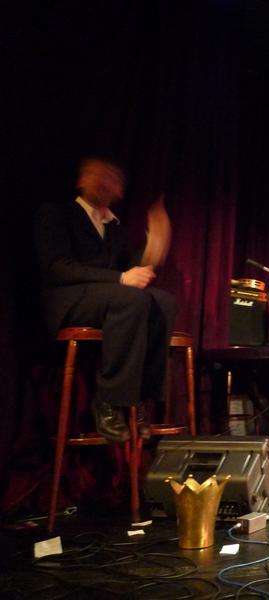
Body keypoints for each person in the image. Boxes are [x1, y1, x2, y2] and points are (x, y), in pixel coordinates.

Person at [35, 156, 176, 443]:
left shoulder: (114, 228)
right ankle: (108, 401)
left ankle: (138, 398)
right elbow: (57, 268)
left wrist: (154, 245)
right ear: (81, 180)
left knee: (164, 302)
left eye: (111, 179)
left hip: (109, 298)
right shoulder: (56, 214)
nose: (104, 183)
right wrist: (122, 279)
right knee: (130, 299)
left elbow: (130, 271)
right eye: (97, 175)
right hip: (68, 299)